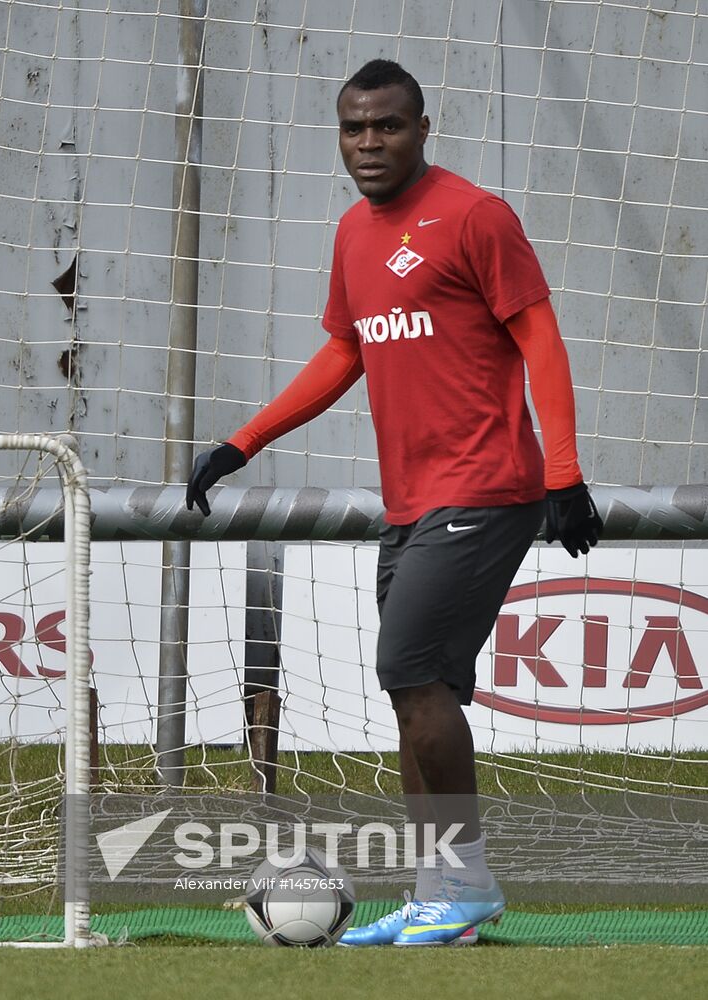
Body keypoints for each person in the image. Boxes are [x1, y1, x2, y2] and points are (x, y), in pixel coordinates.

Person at [185, 59, 602, 947]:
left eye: (387, 126)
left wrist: (562, 474)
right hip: (410, 502)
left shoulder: (475, 217)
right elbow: (344, 354)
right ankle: (436, 896)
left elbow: (542, 340)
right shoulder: (350, 235)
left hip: (485, 488)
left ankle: (466, 885)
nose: (368, 143)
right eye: (353, 128)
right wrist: (241, 442)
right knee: (419, 692)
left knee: (408, 673)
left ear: (422, 128)